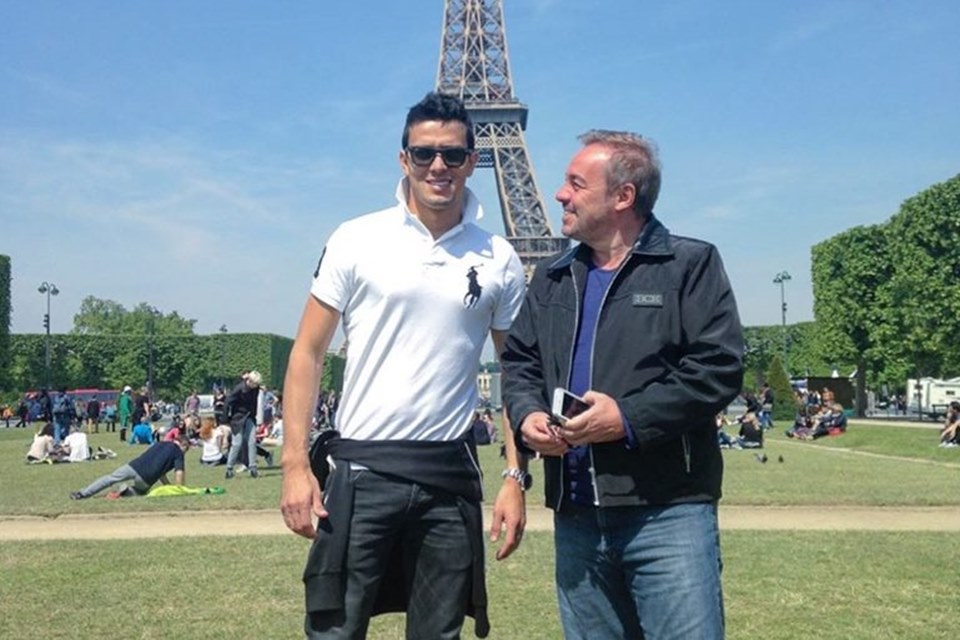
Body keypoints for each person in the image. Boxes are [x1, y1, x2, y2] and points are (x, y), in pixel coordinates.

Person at [280, 91, 528, 640]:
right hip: (363, 472)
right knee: (334, 631)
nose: (438, 165)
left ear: (473, 160)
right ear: (403, 159)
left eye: (452, 154)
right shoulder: (355, 238)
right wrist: (295, 465)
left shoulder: (500, 258)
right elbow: (308, 352)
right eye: (424, 153)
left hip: (448, 479)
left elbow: (517, 373)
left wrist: (515, 477)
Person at [501, 130, 743, 639]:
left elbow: (718, 368)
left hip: (666, 511)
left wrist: (627, 418)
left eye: (576, 184)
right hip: (576, 515)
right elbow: (520, 362)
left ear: (623, 196)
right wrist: (527, 416)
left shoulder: (689, 265)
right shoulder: (551, 277)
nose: (559, 194)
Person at [70, 434, 191, 499]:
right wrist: (179, 489)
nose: (185, 453)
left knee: (110, 478)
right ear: (183, 444)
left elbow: (161, 472)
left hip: (133, 466)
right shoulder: (178, 453)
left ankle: (83, 493)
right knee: (141, 492)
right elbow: (179, 473)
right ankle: (126, 492)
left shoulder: (160, 443)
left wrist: (167, 486)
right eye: (186, 449)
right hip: (145, 478)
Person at [224, 370, 263, 479]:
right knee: (237, 443)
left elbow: (254, 403)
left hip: (250, 416)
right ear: (249, 381)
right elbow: (227, 403)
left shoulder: (255, 389)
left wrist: (255, 417)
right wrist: (225, 420)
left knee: (252, 442)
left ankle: (253, 468)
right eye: (255, 384)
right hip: (237, 418)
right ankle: (229, 468)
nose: (256, 386)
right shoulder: (239, 389)